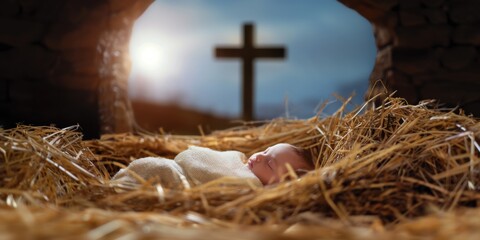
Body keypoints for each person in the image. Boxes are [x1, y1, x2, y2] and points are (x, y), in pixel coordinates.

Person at [112, 143, 314, 189]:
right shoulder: (239, 160)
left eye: (270, 163)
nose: (260, 157)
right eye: (266, 150)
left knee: (159, 171)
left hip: (178, 180)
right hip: (176, 166)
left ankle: (122, 186)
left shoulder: (249, 187)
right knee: (156, 166)